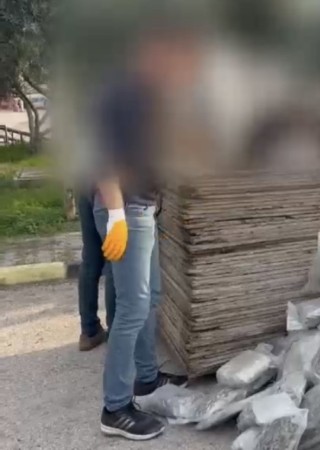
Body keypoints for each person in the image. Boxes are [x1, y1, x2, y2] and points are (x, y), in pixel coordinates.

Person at [93, 25, 201, 440]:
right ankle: (115, 408)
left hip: (144, 210)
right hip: (126, 210)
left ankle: (147, 378)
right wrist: (117, 215)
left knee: (151, 297)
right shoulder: (120, 94)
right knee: (133, 308)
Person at [76, 187, 116, 351]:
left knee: (91, 259)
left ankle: (89, 331)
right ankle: (116, 331)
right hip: (110, 190)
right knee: (115, 259)